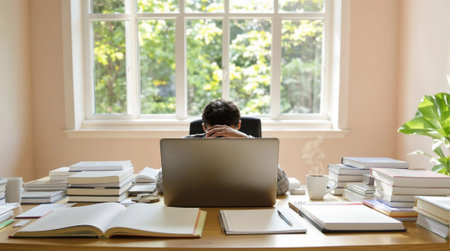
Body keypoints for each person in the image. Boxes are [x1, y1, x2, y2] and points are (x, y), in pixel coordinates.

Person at [155, 99, 289, 195]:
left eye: (226, 133)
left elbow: (282, 187)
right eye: (215, 133)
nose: (220, 138)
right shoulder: (185, 145)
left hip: (244, 209)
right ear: (204, 128)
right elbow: (161, 186)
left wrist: (247, 141)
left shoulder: (253, 147)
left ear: (238, 127)